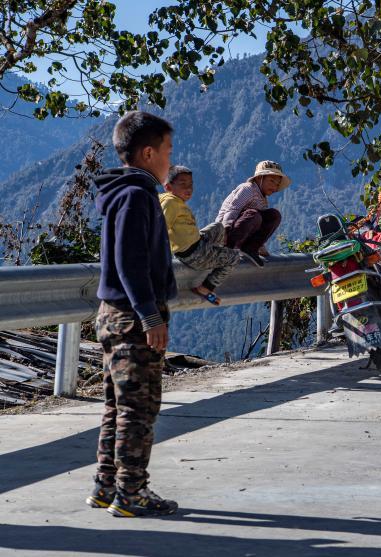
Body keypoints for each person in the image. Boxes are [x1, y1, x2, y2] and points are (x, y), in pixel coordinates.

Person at [88, 111, 179, 516]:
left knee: (118, 405)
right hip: (131, 317)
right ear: (147, 153)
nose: (170, 160)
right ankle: (131, 493)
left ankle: (106, 486)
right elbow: (130, 262)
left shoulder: (125, 193)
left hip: (114, 313)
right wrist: (150, 316)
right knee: (139, 410)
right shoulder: (136, 196)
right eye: (167, 151)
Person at [160, 165, 241, 305]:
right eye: (183, 184)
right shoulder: (170, 203)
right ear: (168, 187)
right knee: (234, 257)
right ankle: (206, 287)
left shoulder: (170, 199)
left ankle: (214, 257)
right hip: (193, 253)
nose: (189, 188)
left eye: (191, 184)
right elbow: (161, 229)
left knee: (218, 227)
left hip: (196, 243)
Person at [215, 160, 290, 267]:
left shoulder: (262, 199)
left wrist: (260, 245)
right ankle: (228, 248)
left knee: (274, 215)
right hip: (226, 232)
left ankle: (251, 248)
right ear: (259, 178)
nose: (274, 187)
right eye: (272, 181)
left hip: (242, 230)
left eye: (277, 184)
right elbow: (233, 209)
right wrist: (225, 231)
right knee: (254, 215)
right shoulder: (248, 189)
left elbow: (259, 226)